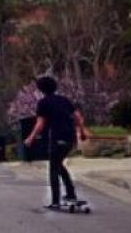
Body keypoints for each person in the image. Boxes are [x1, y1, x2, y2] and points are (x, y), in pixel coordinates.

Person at [24, 76, 91, 209]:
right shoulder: (64, 100)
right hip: (70, 137)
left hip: (57, 137)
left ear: (41, 89)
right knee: (58, 164)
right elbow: (77, 117)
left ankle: (55, 201)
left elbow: (40, 124)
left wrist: (30, 138)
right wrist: (82, 132)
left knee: (53, 168)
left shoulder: (43, 103)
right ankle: (71, 194)